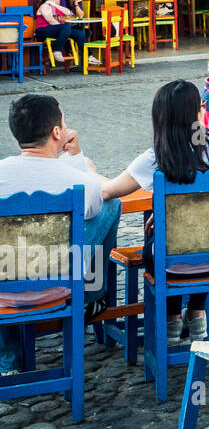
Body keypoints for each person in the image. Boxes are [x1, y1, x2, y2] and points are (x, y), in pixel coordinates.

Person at [101, 81, 209, 346]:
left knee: (164, 246)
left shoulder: (156, 158)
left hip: (172, 265)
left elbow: (109, 191)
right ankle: (197, 311)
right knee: (200, 239)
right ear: (198, 114)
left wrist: (84, 166)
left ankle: (172, 317)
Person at [0, 95, 121, 374]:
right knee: (110, 206)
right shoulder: (80, 182)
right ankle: (93, 296)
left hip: (3, 291)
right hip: (58, 287)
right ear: (57, 132)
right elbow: (95, 208)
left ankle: (7, 362)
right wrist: (81, 163)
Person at [35, 0, 95, 67]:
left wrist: (54, 4)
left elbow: (68, 12)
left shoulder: (55, 7)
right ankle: (57, 50)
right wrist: (63, 28)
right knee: (66, 27)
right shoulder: (44, 6)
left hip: (55, 30)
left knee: (79, 33)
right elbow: (50, 20)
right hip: (42, 31)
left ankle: (89, 56)